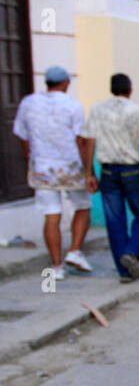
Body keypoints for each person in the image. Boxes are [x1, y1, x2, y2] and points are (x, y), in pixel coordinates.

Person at [12, 65, 96, 280]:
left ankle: (57, 267)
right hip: (70, 166)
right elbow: (81, 140)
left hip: (42, 167)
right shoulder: (73, 105)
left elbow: (23, 136)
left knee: (52, 214)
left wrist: (31, 160)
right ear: (66, 83)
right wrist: (90, 172)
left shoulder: (28, 103)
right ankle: (75, 251)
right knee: (83, 207)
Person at [85, 73, 139, 283]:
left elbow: (90, 142)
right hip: (131, 171)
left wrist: (89, 173)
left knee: (115, 220)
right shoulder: (138, 111)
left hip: (108, 171)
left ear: (111, 89)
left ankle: (124, 271)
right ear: (130, 90)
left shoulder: (97, 110)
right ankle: (133, 252)